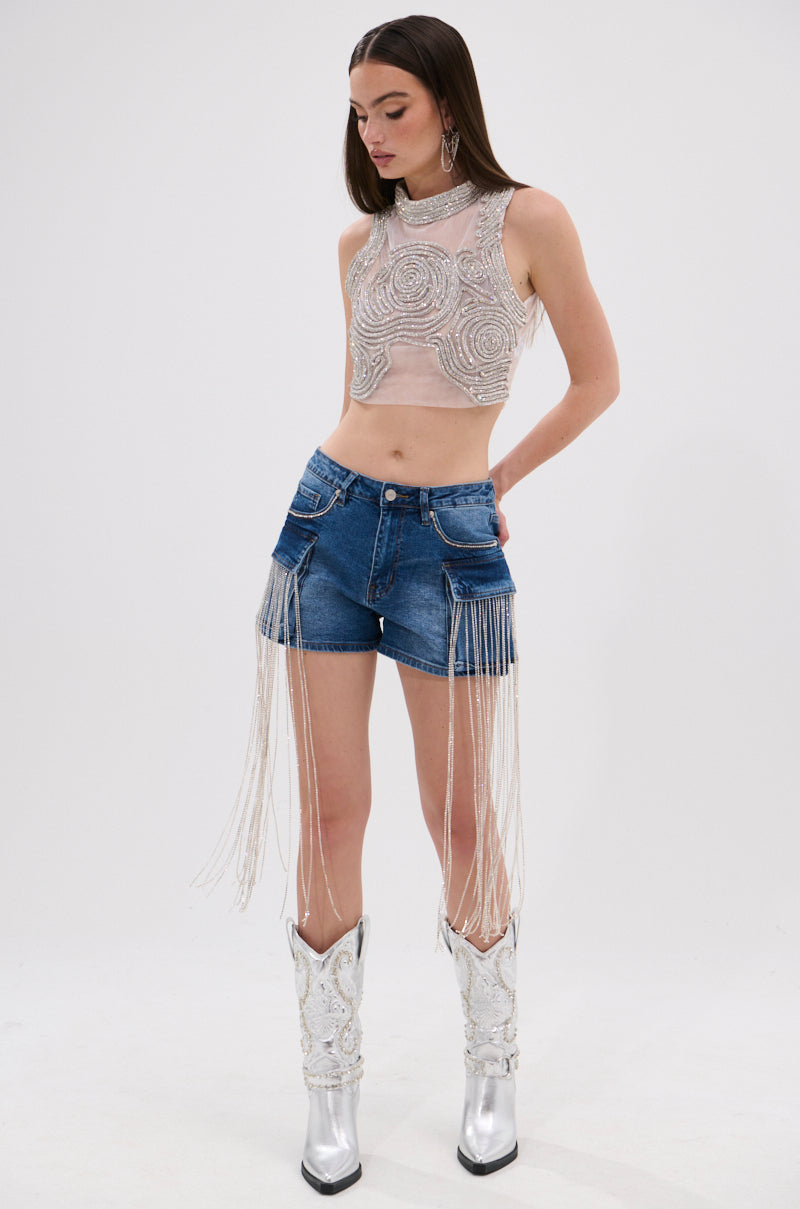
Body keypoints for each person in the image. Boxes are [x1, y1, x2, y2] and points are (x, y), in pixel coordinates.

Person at [192, 14, 619, 1196]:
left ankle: (493, 1071)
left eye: (393, 107)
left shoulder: (528, 218)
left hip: (448, 542)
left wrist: (496, 482)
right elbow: (362, 393)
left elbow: (597, 377)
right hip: (329, 522)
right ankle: (331, 1092)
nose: (373, 133)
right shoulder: (357, 245)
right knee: (332, 812)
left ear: (446, 101)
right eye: (358, 112)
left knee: (462, 821)